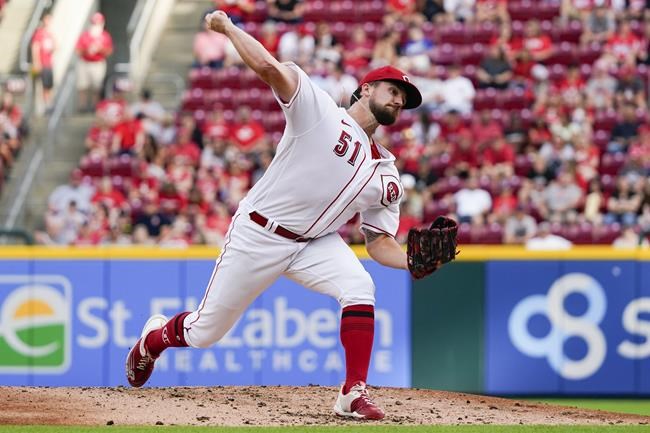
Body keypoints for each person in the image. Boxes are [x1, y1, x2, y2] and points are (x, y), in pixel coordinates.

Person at [126, 9, 428, 421]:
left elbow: (378, 243)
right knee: (204, 332)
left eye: (405, 99)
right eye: (394, 90)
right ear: (368, 88)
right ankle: (153, 341)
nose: (399, 100)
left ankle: (352, 393)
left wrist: (411, 259)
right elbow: (269, 67)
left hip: (314, 244)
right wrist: (230, 28)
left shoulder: (388, 173)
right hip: (260, 232)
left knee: (360, 285)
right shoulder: (321, 112)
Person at [76, 12, 113, 112]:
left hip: (98, 63)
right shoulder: (85, 35)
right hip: (85, 62)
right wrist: (86, 50)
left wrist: (100, 49)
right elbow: (78, 50)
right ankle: (82, 107)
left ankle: (95, 106)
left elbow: (109, 51)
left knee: (96, 87)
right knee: (83, 86)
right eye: (94, 23)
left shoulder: (105, 36)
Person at [31, 13, 56, 113]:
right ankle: (45, 106)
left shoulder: (50, 34)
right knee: (44, 86)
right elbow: (35, 48)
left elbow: (56, 46)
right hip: (42, 63)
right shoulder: (39, 33)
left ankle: (48, 104)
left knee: (49, 85)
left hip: (49, 63)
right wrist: (37, 62)